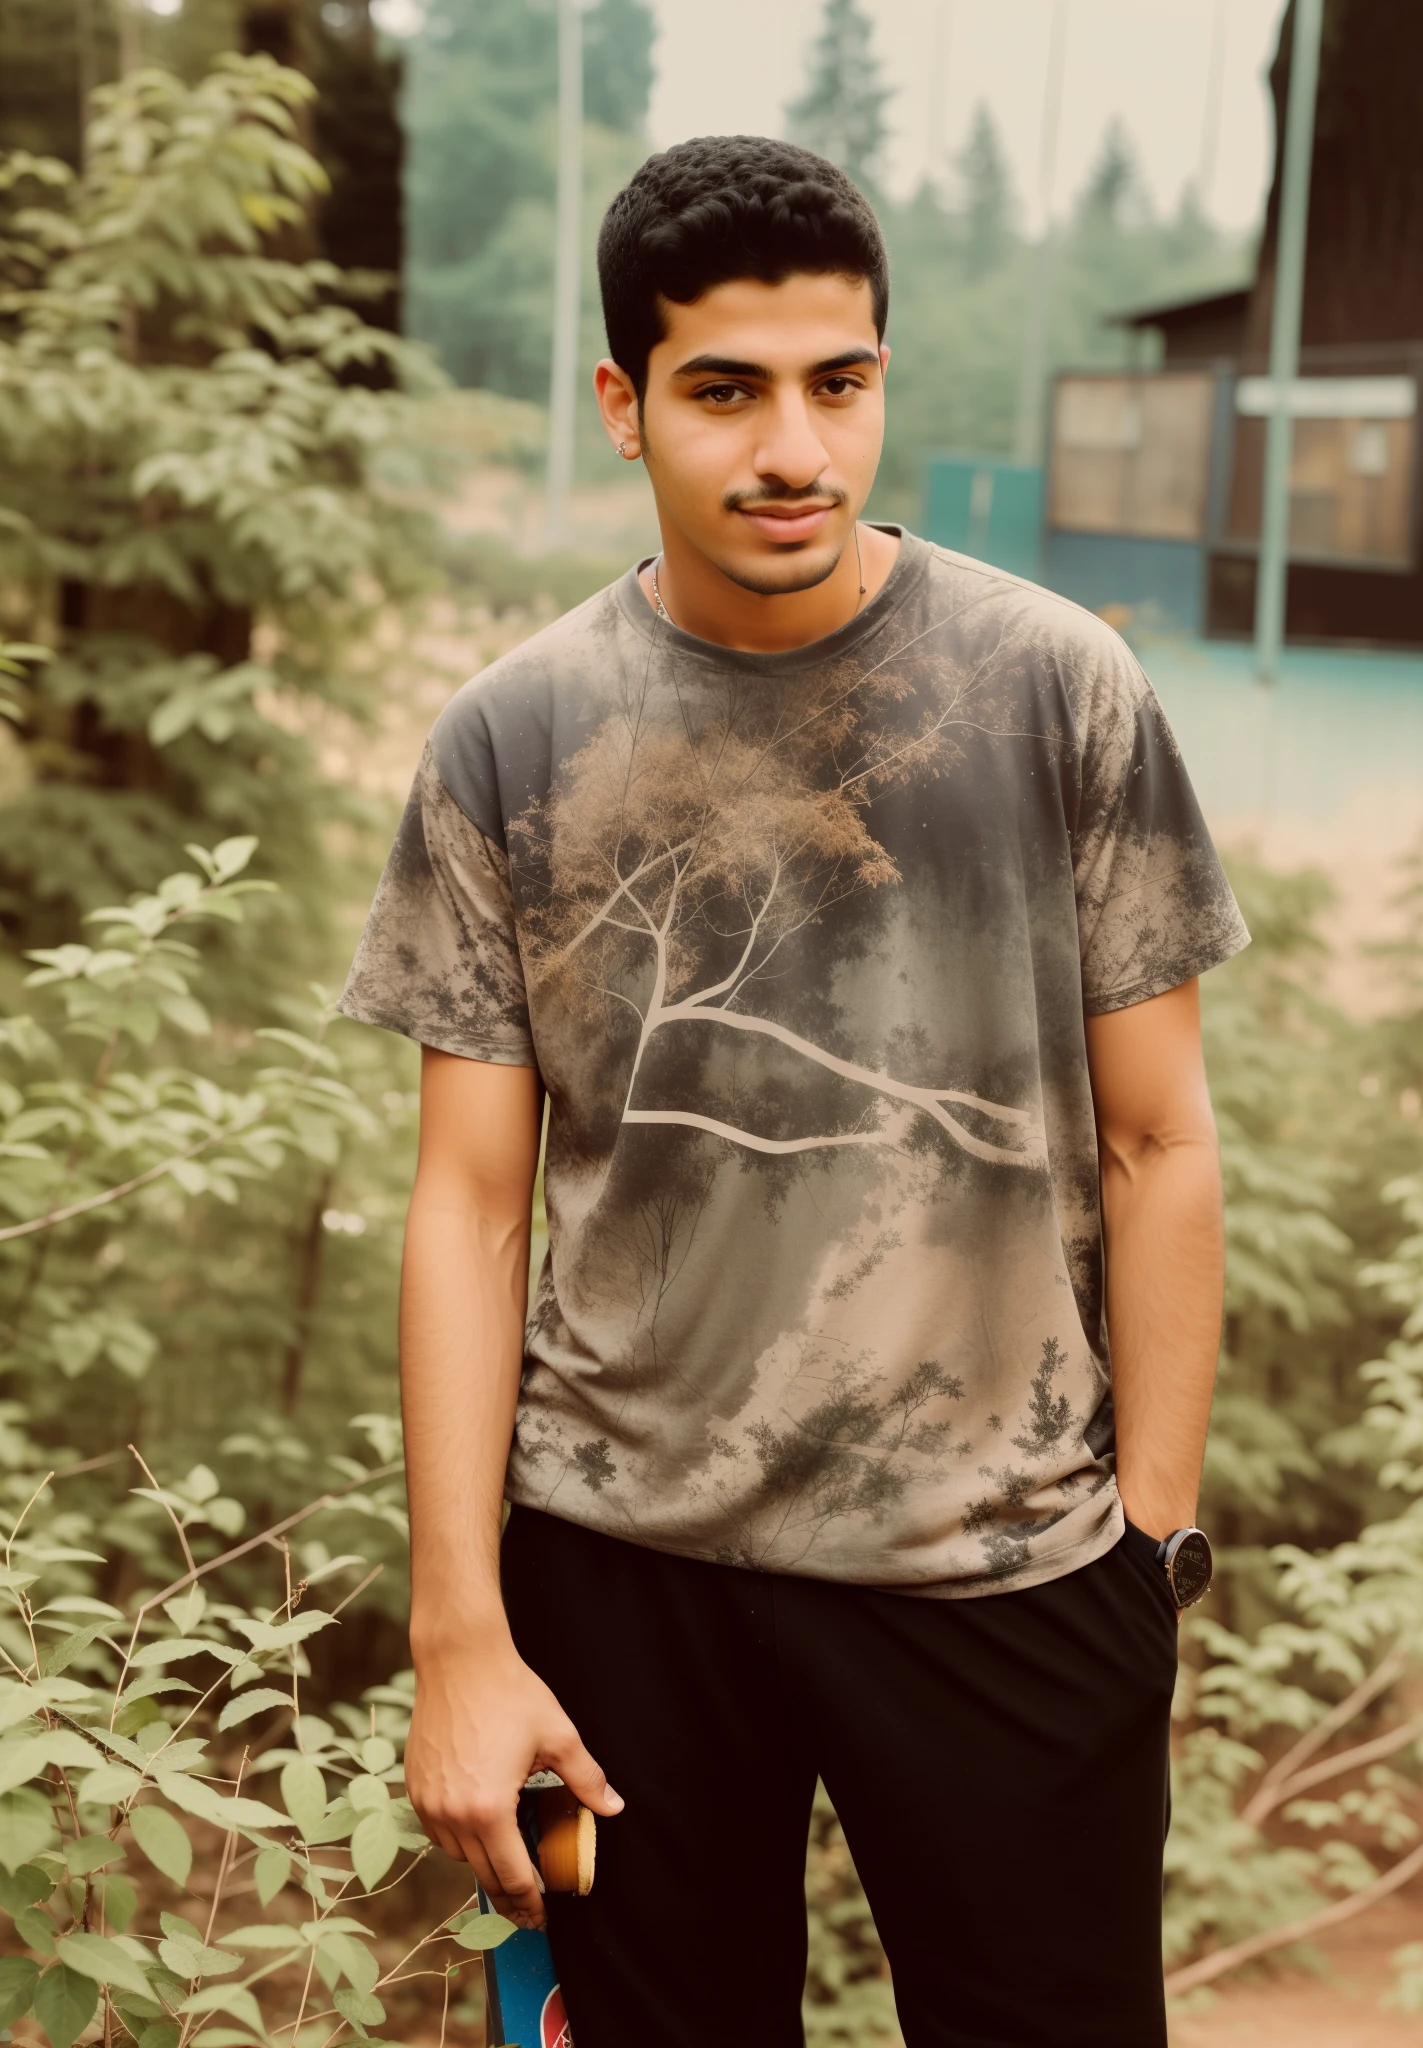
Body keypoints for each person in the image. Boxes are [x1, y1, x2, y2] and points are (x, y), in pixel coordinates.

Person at [341, 135, 1248, 2048]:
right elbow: (468, 1205)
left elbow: (1163, 1141)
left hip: (1007, 1567)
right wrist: (460, 1632)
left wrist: (1147, 1547)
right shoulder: (516, 736)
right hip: (621, 1580)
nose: (795, 451)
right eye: (726, 391)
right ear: (625, 402)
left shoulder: (1057, 690)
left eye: (839, 384)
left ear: (882, 379)